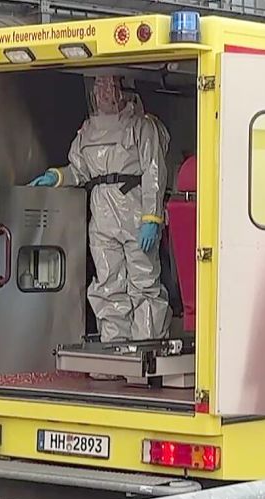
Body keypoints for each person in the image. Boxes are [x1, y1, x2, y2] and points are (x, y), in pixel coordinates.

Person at [27, 75, 171, 351]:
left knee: (143, 283)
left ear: (123, 89)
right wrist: (55, 177)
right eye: (100, 86)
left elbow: (154, 172)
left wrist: (151, 218)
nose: (104, 93)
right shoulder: (88, 131)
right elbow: (79, 170)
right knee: (108, 284)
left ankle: (146, 349)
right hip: (102, 214)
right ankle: (115, 348)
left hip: (134, 211)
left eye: (110, 86)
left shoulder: (143, 126)